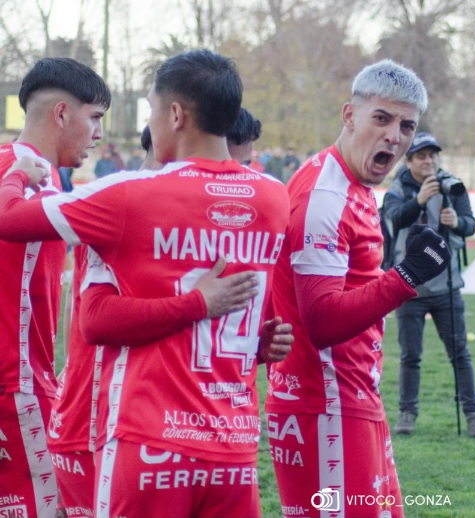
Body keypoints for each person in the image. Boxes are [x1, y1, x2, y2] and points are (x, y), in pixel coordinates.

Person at [0, 49, 292, 518]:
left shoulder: (125, 196)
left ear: (175, 115)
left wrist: (16, 176)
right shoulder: (275, 199)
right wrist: (250, 341)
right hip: (234, 450)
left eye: (151, 110)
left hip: (148, 438)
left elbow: (12, 222)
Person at [46, 119, 262, 518]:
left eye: (244, 167)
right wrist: (197, 304)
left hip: (171, 430)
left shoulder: (193, 220)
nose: (236, 178)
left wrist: (256, 346)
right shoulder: (122, 207)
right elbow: (92, 321)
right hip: (96, 423)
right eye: (233, 164)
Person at [264, 59, 451, 518]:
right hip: (325, 406)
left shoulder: (355, 184)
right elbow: (322, 321)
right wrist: (406, 276)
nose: (394, 136)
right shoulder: (326, 197)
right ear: (349, 115)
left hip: (350, 397)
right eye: (381, 118)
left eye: (406, 126)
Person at [0, 57, 110, 518]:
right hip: (17, 386)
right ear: (62, 113)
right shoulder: (29, 182)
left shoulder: (14, 169)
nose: (99, 134)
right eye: (95, 117)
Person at [382, 131, 475, 437]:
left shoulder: (452, 185)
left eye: (432, 155)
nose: (428, 161)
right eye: (421, 156)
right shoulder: (398, 189)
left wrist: (458, 222)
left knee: (460, 354)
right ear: (409, 161)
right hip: (408, 287)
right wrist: (419, 200)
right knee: (410, 356)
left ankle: (474, 415)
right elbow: (394, 218)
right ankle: (407, 414)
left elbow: (470, 223)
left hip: (446, 285)